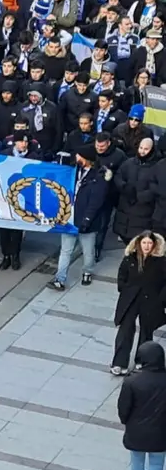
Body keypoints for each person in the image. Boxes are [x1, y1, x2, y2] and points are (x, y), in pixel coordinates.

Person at [50, 144, 111, 290]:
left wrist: (87, 220)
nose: (75, 157)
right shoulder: (73, 171)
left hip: (87, 221)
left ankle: (87, 271)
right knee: (65, 251)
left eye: (79, 156)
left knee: (88, 252)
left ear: (86, 159)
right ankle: (60, 278)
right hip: (70, 219)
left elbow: (96, 202)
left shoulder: (99, 177)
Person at [116, 341, 166, 470]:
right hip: (160, 432)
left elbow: (123, 408)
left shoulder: (132, 381)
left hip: (136, 431)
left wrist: (125, 421)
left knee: (137, 461)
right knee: (156, 464)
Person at [112, 231, 166, 376]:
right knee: (125, 330)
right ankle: (119, 363)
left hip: (151, 300)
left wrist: (161, 299)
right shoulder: (130, 258)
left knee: (146, 332)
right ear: (138, 243)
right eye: (144, 243)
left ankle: (141, 362)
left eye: (149, 243)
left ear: (154, 244)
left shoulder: (160, 261)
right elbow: (122, 275)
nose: (147, 246)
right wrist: (124, 289)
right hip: (131, 299)